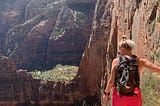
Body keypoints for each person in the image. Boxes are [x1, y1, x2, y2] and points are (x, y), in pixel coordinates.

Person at [103, 37, 160, 106]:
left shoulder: (116, 61)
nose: (119, 53)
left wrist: (106, 93)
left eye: (119, 51)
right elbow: (157, 69)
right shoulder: (140, 61)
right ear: (131, 48)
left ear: (122, 49)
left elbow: (111, 82)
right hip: (134, 95)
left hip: (119, 96)